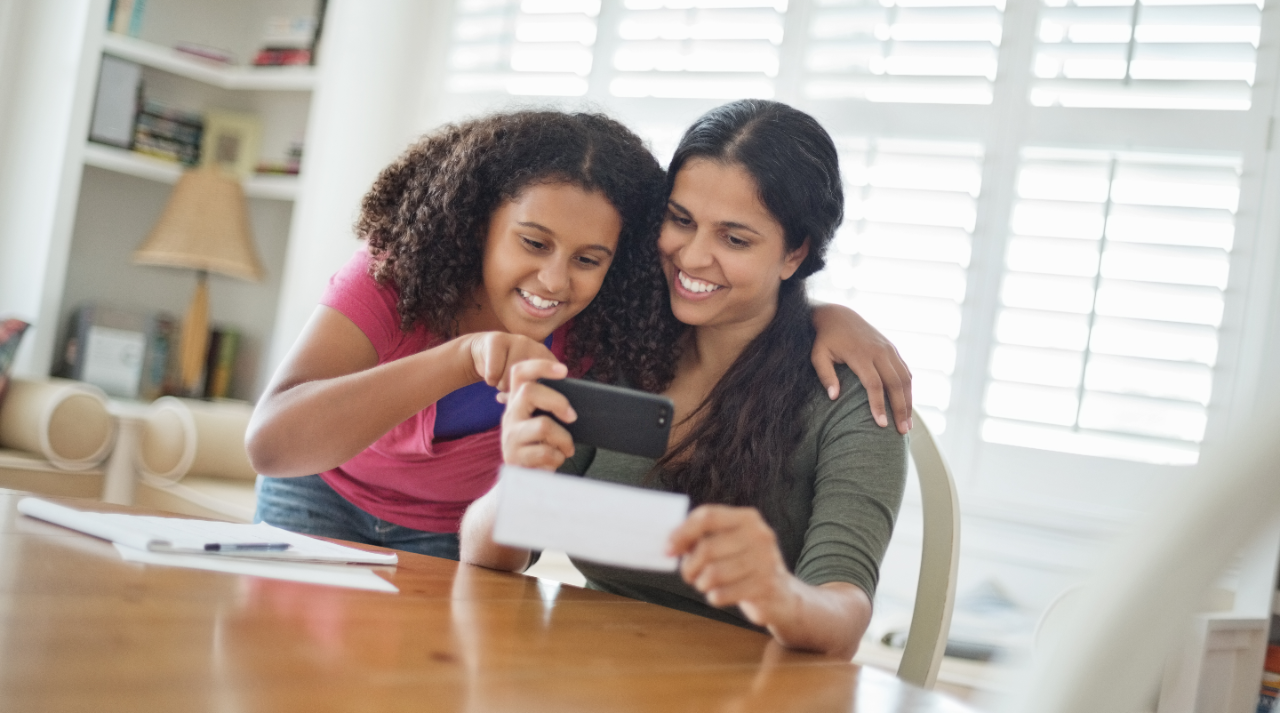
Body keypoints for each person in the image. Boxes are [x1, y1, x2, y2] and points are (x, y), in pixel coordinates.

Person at [247, 109, 910, 562]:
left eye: (590, 258)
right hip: (321, 496)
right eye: (533, 242)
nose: (555, 281)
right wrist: (462, 358)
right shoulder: (399, 273)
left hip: (460, 532)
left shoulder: (609, 316)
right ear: (480, 220)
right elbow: (273, 445)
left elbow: (736, 293)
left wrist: (822, 313)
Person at [460, 100, 908, 659]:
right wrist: (517, 486)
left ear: (795, 253)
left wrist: (779, 593)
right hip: (579, 669)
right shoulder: (623, 346)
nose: (692, 257)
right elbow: (490, 557)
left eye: (735, 240)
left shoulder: (850, 399)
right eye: (681, 220)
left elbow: (842, 617)